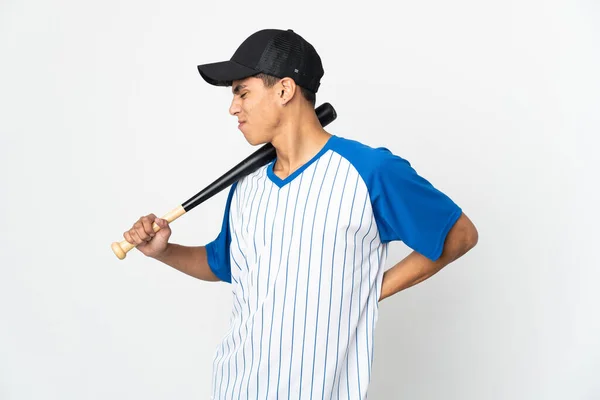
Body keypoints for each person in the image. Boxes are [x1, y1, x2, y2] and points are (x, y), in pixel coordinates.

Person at [123, 28, 478, 399]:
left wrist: (366, 291)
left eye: (241, 91)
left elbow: (458, 235)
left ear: (284, 90)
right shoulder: (247, 187)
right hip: (233, 387)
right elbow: (221, 264)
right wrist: (164, 251)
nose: (233, 107)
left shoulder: (368, 170)